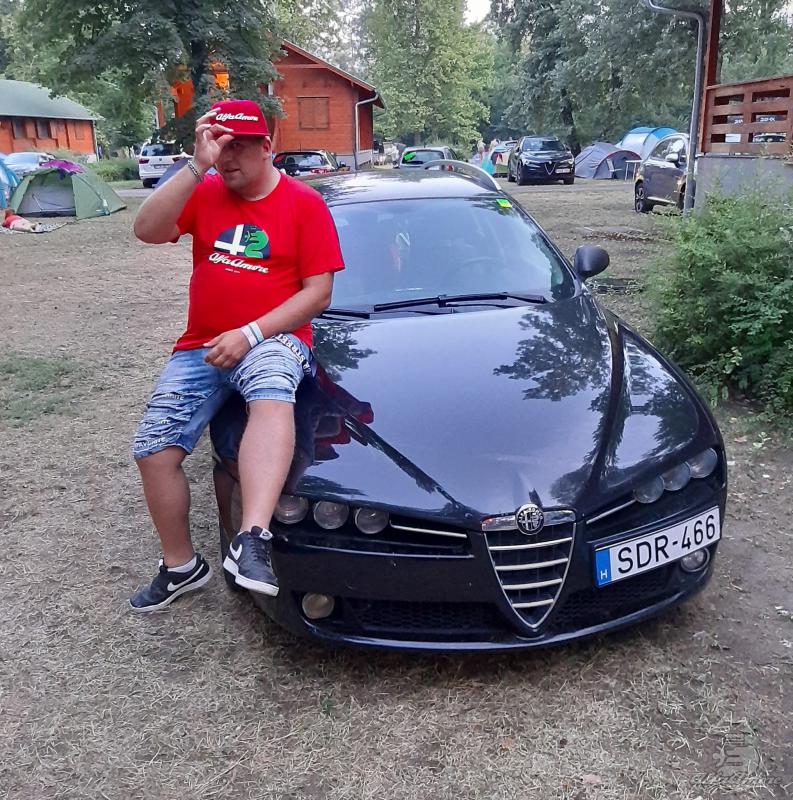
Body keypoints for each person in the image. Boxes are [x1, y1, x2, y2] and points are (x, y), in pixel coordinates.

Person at [129, 99, 345, 612]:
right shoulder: (204, 190)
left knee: (271, 389)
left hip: (273, 339)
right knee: (153, 449)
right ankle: (181, 566)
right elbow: (146, 229)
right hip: (201, 346)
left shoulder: (303, 203)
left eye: (239, 146)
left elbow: (318, 293)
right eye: (219, 144)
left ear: (266, 147)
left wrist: (249, 334)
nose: (227, 157)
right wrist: (195, 164)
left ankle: (252, 539)